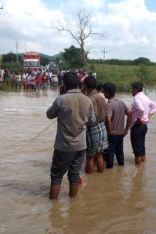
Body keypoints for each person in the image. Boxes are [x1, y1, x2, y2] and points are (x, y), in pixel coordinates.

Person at [46, 71, 95, 200]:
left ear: (64, 85)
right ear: (79, 84)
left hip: (64, 146)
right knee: (74, 176)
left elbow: (49, 114)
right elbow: (92, 121)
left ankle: (53, 208)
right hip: (81, 145)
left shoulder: (61, 99)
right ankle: (73, 205)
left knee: (56, 176)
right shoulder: (88, 100)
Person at [83, 76, 109, 173]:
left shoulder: (90, 99)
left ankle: (89, 183)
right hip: (102, 127)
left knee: (89, 157)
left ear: (85, 86)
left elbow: (93, 117)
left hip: (93, 129)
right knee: (99, 155)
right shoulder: (100, 96)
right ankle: (100, 179)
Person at [103, 83, 131, 168]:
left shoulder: (109, 104)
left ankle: (110, 175)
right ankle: (120, 171)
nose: (103, 93)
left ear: (107, 92)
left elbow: (108, 118)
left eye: (104, 91)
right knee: (120, 153)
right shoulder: (121, 102)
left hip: (112, 134)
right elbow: (130, 114)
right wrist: (126, 129)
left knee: (110, 154)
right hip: (120, 133)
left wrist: (109, 131)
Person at [130, 82, 156, 165]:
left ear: (135, 89)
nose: (131, 91)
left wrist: (139, 118)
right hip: (144, 125)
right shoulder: (146, 97)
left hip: (137, 125)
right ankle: (142, 168)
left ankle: (138, 173)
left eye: (132, 89)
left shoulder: (136, 98)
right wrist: (149, 115)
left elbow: (141, 110)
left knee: (137, 150)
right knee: (141, 147)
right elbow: (155, 106)